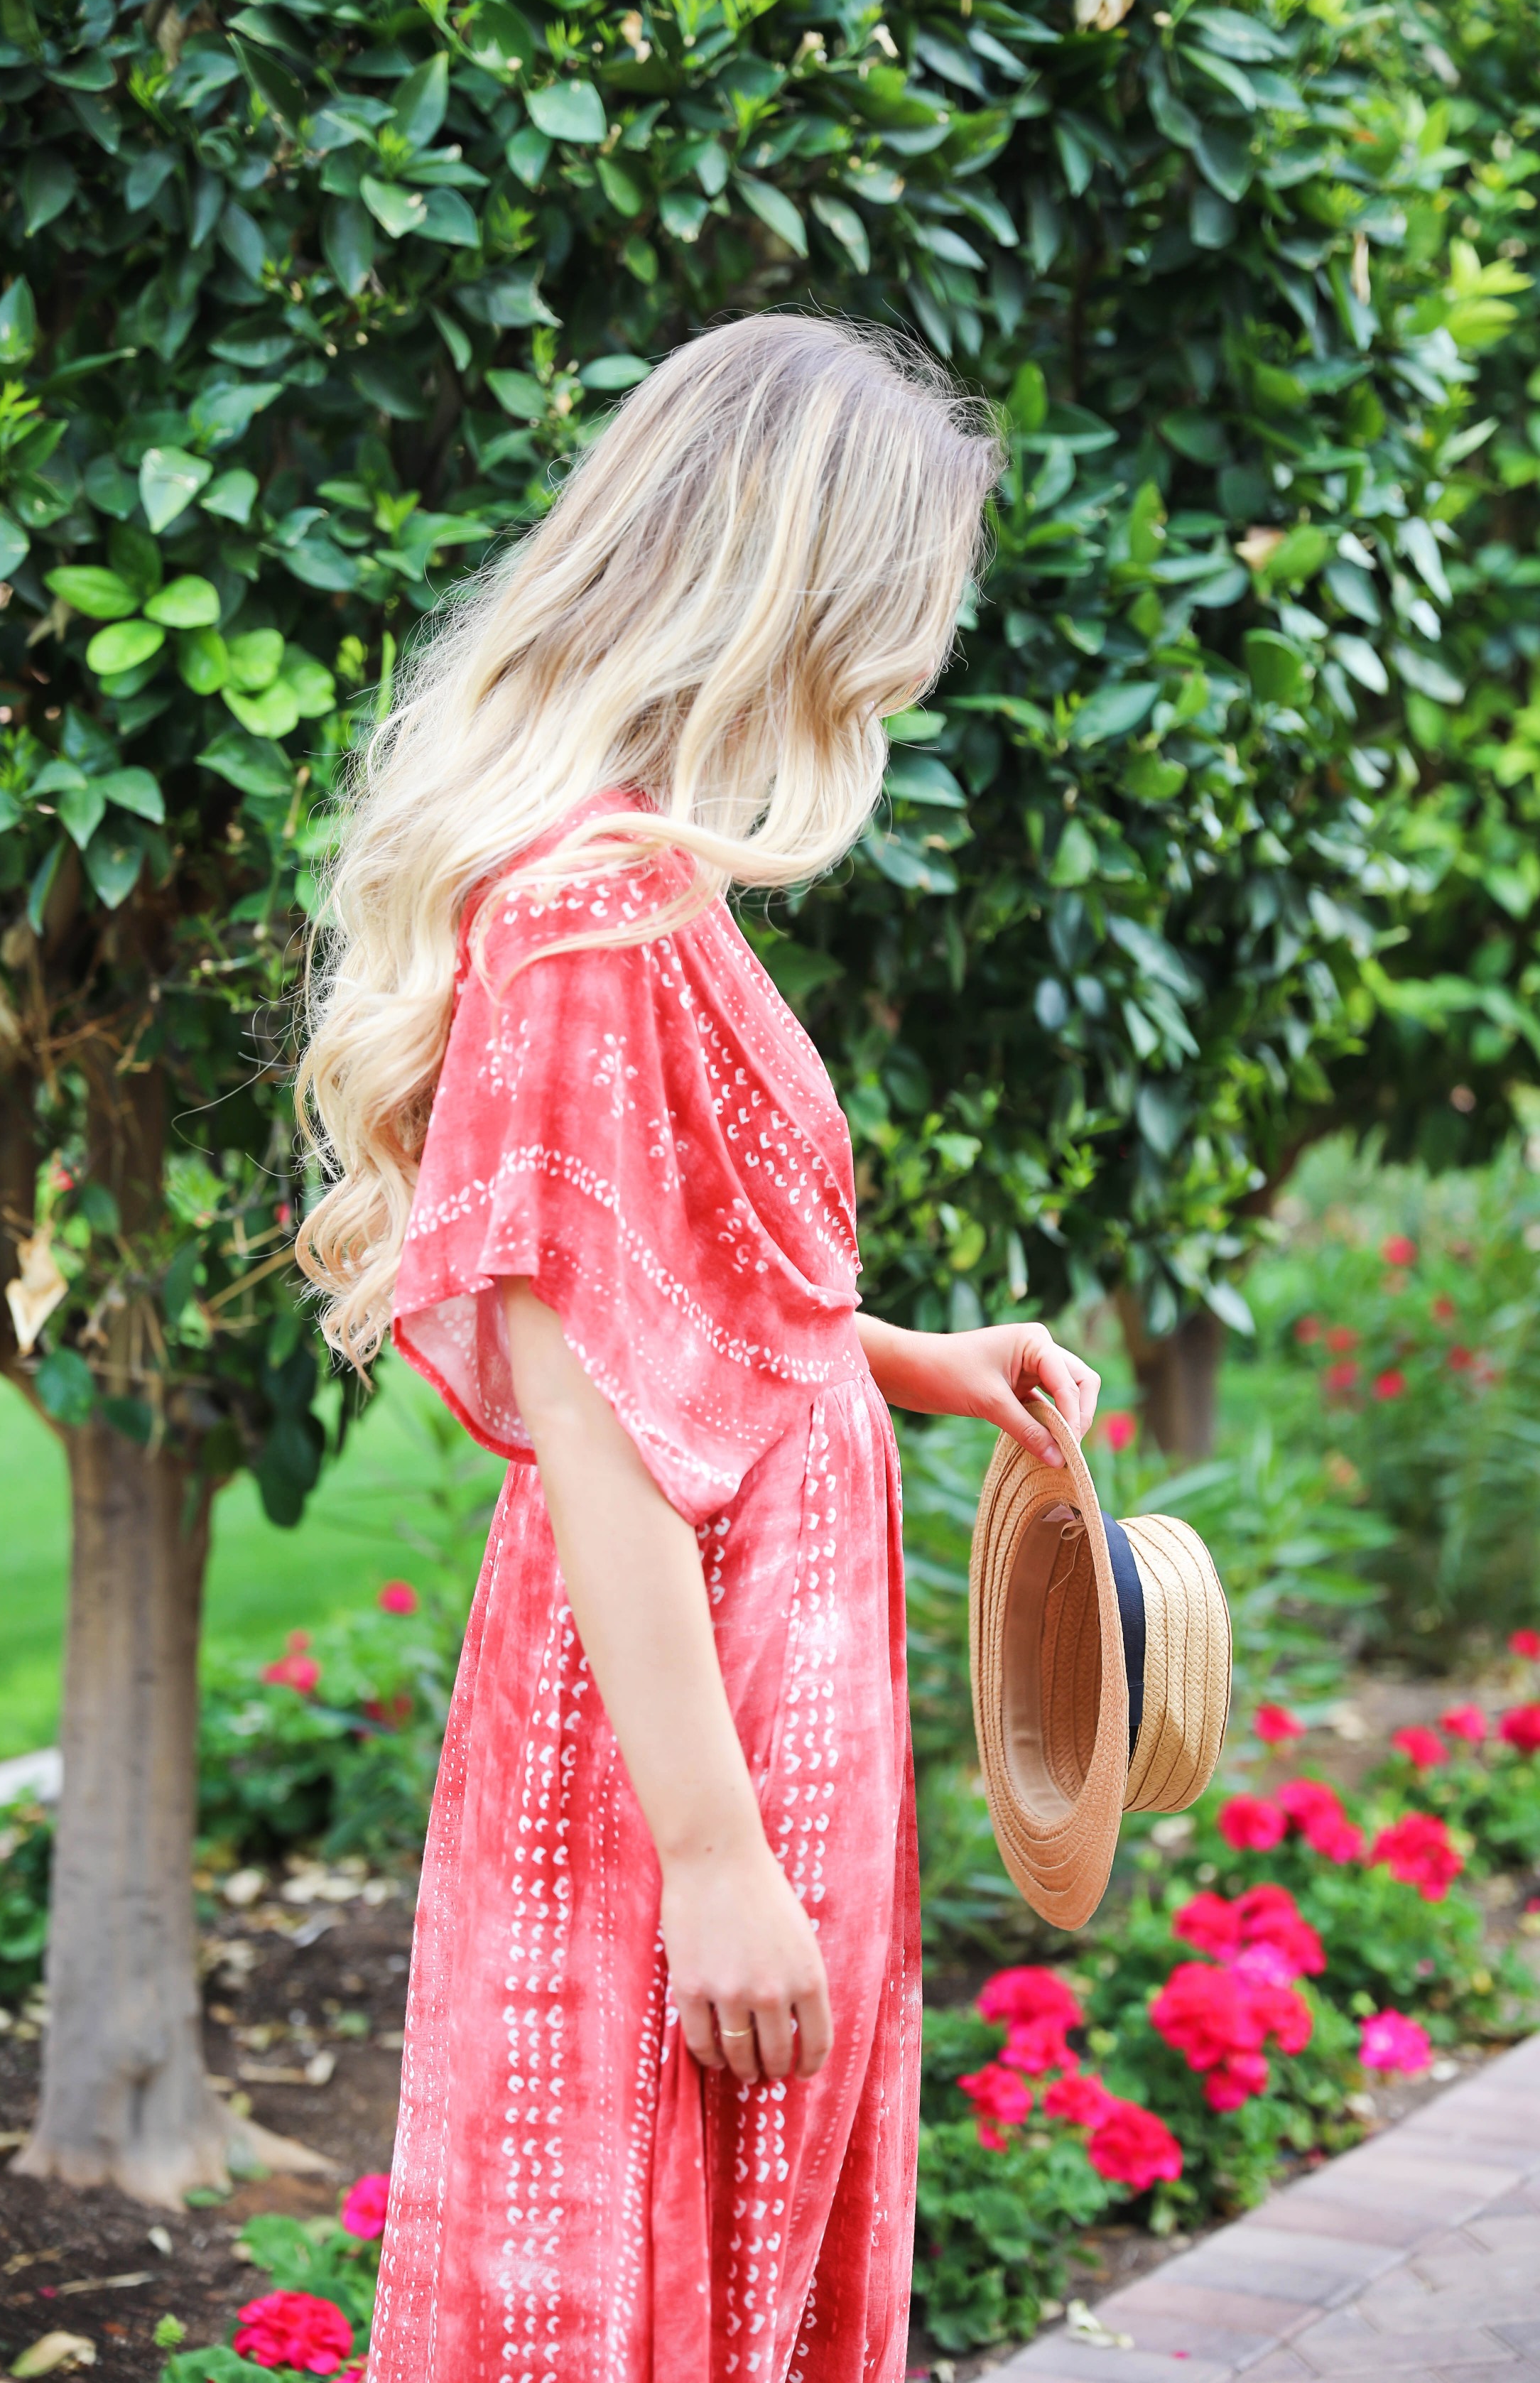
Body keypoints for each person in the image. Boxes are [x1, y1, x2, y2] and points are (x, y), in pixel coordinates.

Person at [297, 313, 1100, 2383]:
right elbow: (588, 1419)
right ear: (800, 572)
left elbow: (682, 1309)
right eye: (915, 581)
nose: (928, 639)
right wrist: (720, 1862)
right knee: (644, 2261)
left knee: (733, 2250)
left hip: (753, 1676)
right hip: (684, 1720)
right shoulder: (593, 913)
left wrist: (905, 1356)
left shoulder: (647, 875)